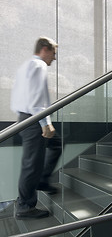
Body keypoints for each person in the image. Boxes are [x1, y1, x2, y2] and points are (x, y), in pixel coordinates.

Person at [11, 37, 62, 219]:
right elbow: (35, 99)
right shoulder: (39, 65)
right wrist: (44, 123)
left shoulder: (26, 66)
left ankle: (42, 180)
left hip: (26, 117)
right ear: (45, 49)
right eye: (54, 53)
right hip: (34, 119)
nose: (54, 58)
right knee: (31, 164)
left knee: (56, 144)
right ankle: (25, 206)